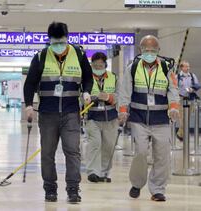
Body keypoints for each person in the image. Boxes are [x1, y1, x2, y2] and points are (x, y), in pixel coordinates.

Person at [23, 22, 93, 203]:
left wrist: (86, 91)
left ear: (67, 38)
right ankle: (50, 189)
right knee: (47, 153)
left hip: (71, 112)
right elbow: (30, 83)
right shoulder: (41, 57)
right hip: (47, 113)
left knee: (72, 151)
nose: (59, 46)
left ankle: (73, 189)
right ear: (50, 41)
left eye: (61, 41)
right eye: (55, 42)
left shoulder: (78, 54)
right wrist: (29, 105)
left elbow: (88, 77)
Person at [118, 35, 179, 202]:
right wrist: (123, 110)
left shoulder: (167, 68)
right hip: (139, 118)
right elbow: (124, 92)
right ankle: (137, 184)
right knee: (141, 152)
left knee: (162, 155)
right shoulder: (133, 67)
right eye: (146, 50)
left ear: (159, 51)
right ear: (140, 50)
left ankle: (158, 189)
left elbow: (173, 90)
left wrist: (174, 106)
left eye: (153, 50)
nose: (150, 53)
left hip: (161, 119)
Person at [84, 52, 118, 183]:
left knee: (109, 145)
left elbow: (120, 95)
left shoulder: (113, 77)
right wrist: (91, 98)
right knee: (95, 143)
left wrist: (109, 97)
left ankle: (103, 172)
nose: (98, 67)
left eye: (101, 65)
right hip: (92, 116)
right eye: (95, 65)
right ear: (91, 65)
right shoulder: (86, 78)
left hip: (110, 117)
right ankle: (93, 172)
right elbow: (81, 96)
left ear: (105, 64)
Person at [176, 61, 200, 140]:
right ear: (182, 67)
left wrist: (192, 89)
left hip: (190, 99)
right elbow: (174, 87)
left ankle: (180, 134)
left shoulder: (192, 76)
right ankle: (183, 135)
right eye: (186, 66)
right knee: (182, 119)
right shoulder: (178, 76)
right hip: (181, 99)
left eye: (188, 66)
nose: (188, 68)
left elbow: (198, 84)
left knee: (187, 118)